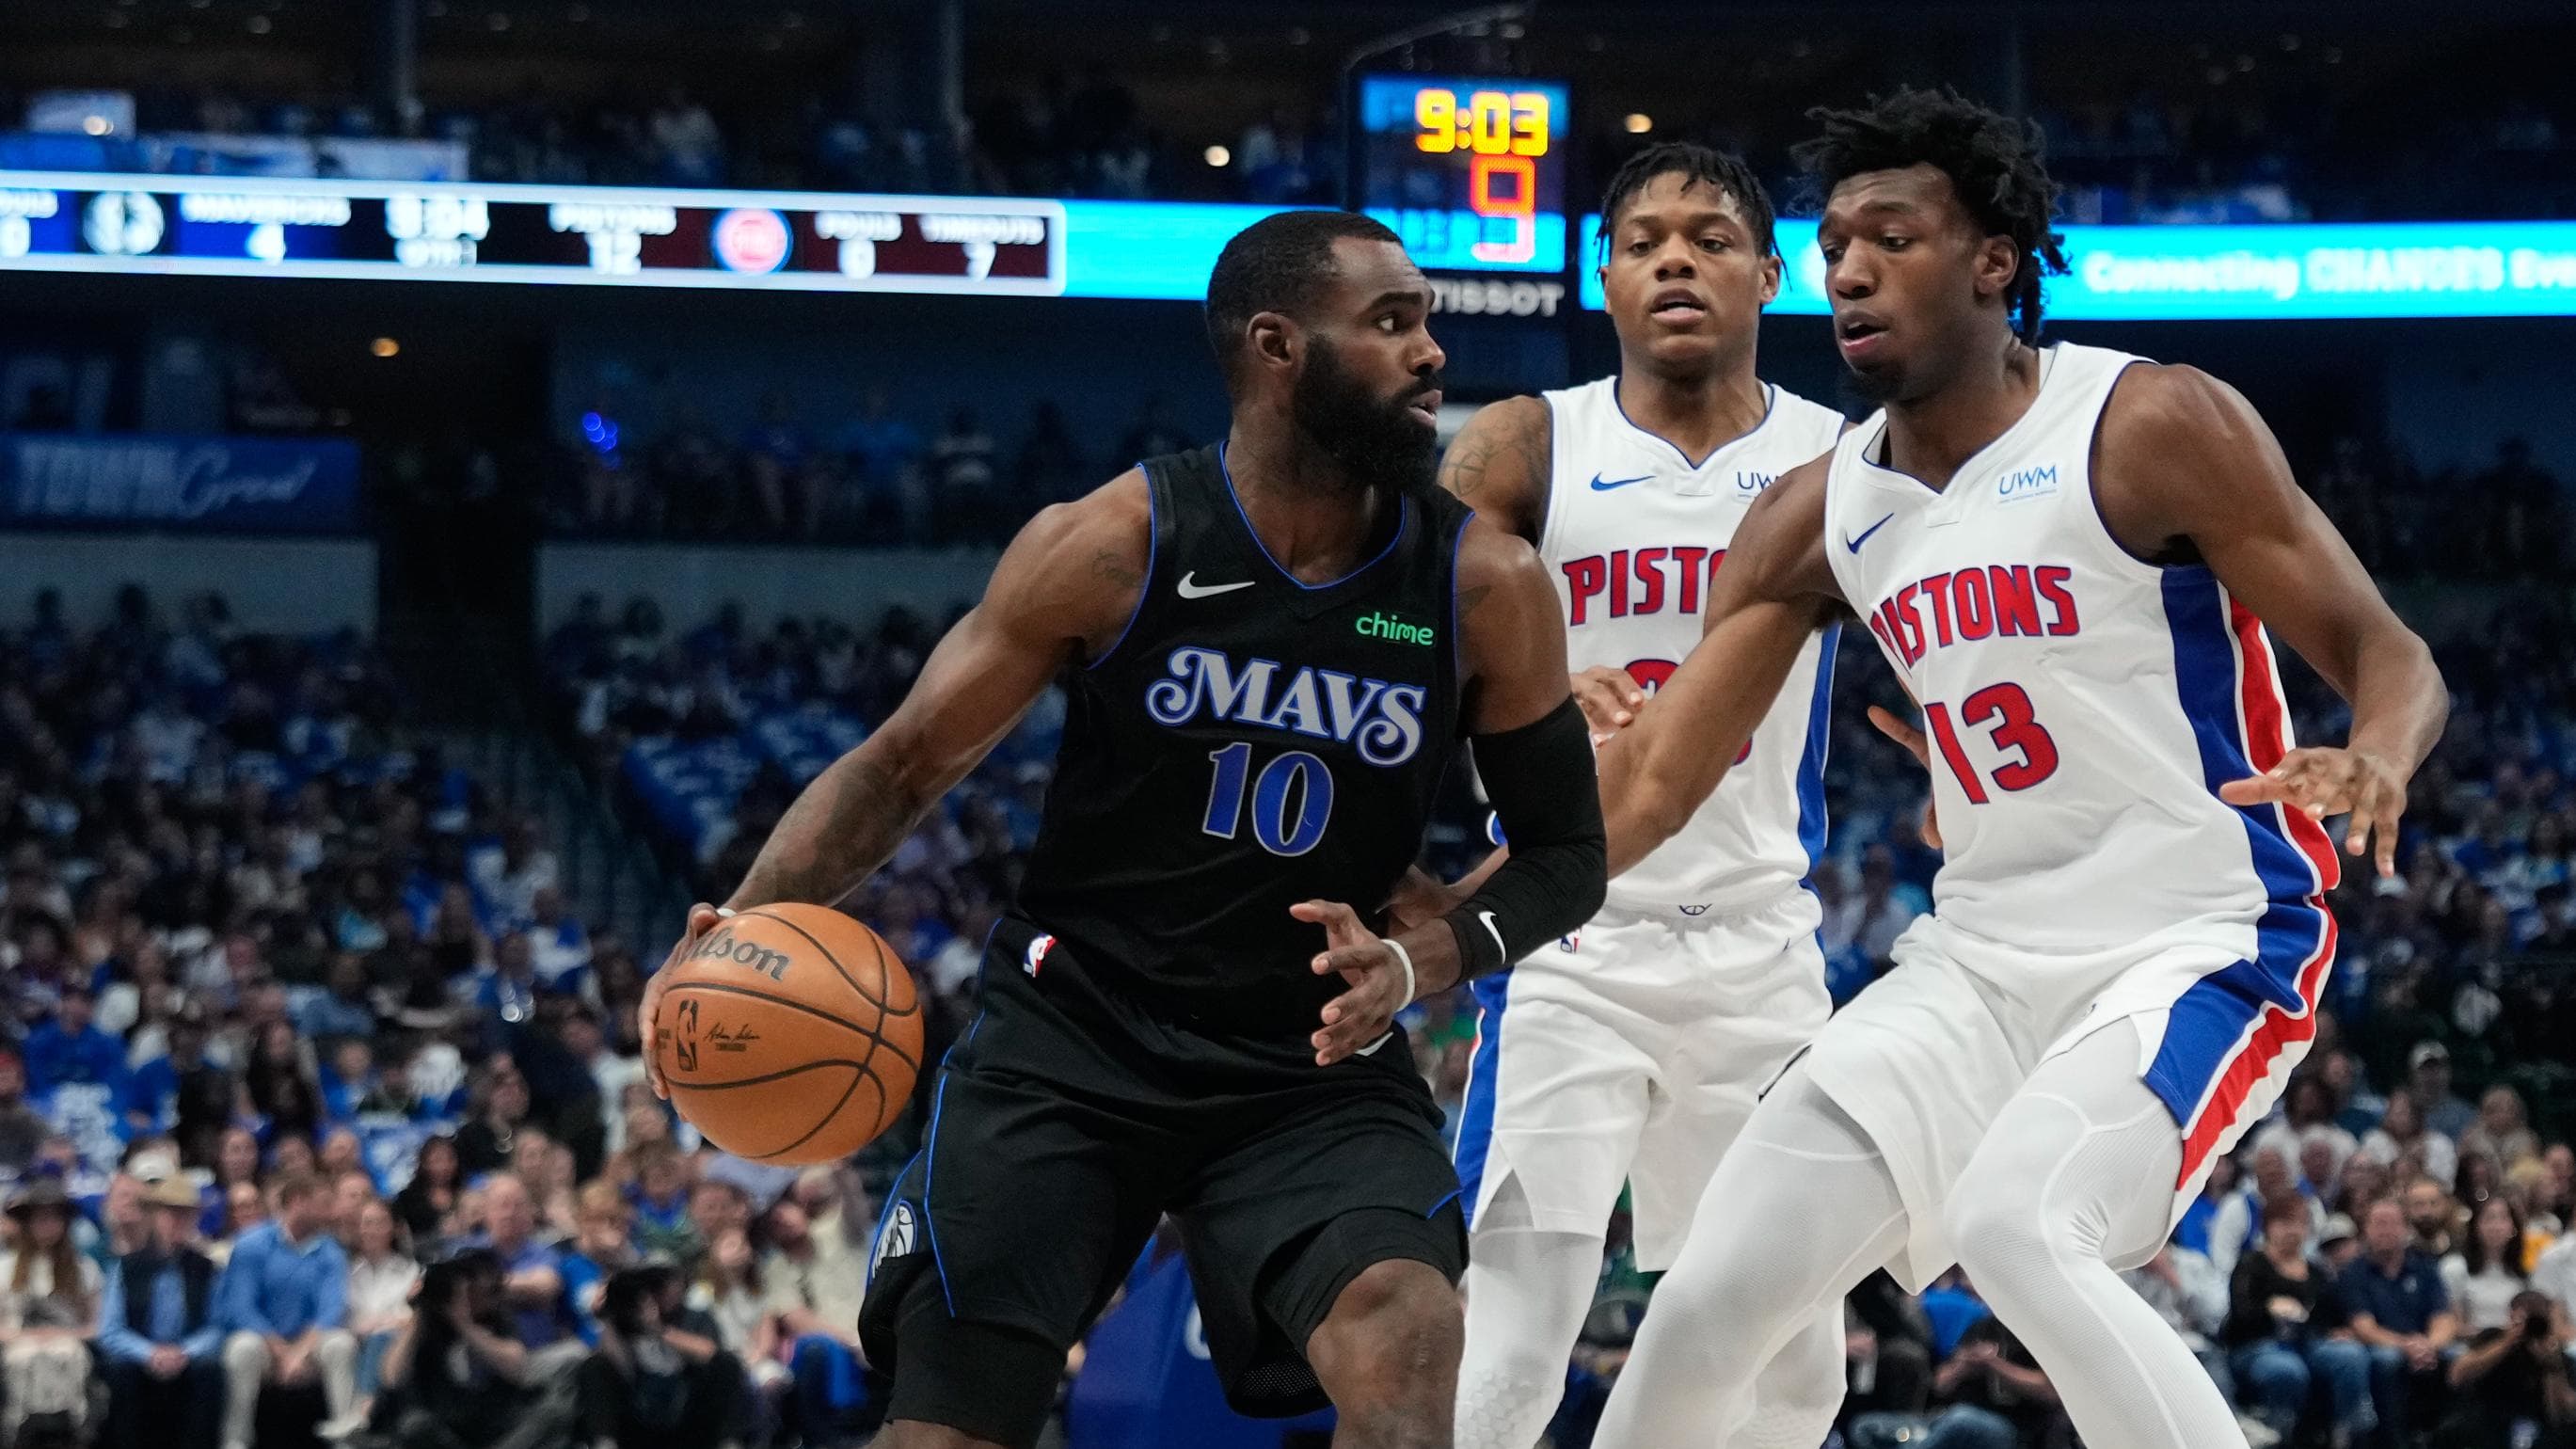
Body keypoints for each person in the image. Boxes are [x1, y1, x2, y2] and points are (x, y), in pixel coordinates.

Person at [641, 208, 1606, 1449]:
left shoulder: (1485, 584)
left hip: (1305, 1056)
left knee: (1406, 1333)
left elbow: (1566, 857)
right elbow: (897, 772)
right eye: (1389, 322)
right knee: (945, 1427)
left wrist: (1423, 961)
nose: (1429, 353)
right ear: (1274, 346)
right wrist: (737, 931)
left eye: (1424, 322)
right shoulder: (1113, 543)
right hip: (1075, 1035)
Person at [1574, 88, 2449, 1449]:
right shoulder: (1818, 509)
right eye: (1832, 243)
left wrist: (2376, 756)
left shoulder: (2147, 421)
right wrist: (1459, 927)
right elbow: (1644, 789)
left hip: (2194, 940)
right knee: (1704, 1301)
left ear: (1992, 259)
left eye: (1891, 234)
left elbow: (2387, 654)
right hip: (1978, 961)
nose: (1847, 267)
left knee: (2020, 1228)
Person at [1430, 140, 1851, 1447]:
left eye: (1711, 237)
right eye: (1645, 239)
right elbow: (1394, 631)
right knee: (1504, 1352)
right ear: (1599, 276)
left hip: (1760, 947)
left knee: (1793, 1375)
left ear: (1768, 276)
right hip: (1569, 941)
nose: (1676, 257)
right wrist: (1526, 686)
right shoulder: (1524, 443)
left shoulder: (1842, 454)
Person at [216, 1170, 363, 1447]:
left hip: (309, 1345)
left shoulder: (330, 1251)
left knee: (341, 1344)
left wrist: (300, 1353)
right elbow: (242, 1308)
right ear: (297, 1201)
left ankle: (346, 1441)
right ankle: (235, 1441)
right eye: (322, 1203)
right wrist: (284, 1353)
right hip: (265, 1343)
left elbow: (330, 1310)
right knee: (241, 1349)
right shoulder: (251, 1244)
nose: (329, 1212)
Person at [2221, 1195, 2373, 1444]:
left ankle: (2348, 1435)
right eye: (2284, 1223)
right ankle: (2280, 1438)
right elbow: (2240, 1315)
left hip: (2309, 1344)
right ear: (2268, 1227)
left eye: (2299, 1223)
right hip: (2257, 1345)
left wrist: (2337, 1331)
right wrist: (2269, 1309)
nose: (2292, 1230)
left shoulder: (2317, 1272)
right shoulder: (2250, 1265)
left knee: (2351, 1356)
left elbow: (2329, 1316)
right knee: (2287, 1370)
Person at [379, 1249, 566, 1449]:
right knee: (414, 1425)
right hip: (445, 1424)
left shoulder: (496, 1318)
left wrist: (464, 1324)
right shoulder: (427, 1323)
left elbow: (517, 1368)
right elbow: (392, 1377)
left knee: (552, 1412)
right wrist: (419, 1313)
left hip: (497, 1421)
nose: (468, 1294)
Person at [97, 1175, 227, 1449]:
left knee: (210, 1371)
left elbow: (218, 1327)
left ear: (194, 1218)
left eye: (185, 1214)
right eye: (171, 1213)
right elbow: (110, 1330)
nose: (178, 1221)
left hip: (187, 1358)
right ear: (155, 1216)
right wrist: (149, 1353)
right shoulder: (126, 1267)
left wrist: (185, 1352)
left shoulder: (206, 1268)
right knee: (120, 1371)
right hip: (140, 1358)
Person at [580, 1265, 741, 1449]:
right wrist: (610, 1318)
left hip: (684, 1415)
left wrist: (656, 1328)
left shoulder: (691, 1318)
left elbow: (710, 1353)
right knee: (594, 1367)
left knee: (727, 1363)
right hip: (641, 1421)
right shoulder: (617, 1331)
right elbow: (619, 1368)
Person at [2342, 1195, 2460, 1441]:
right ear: (2365, 1230)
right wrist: (2407, 1346)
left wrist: (2429, 1346)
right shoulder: (2354, 1272)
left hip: (2424, 1345)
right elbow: (2364, 1327)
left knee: (2459, 1357)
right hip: (2382, 1346)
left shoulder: (2425, 1267)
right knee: (2388, 1360)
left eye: (2392, 1223)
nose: (2386, 1230)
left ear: (2406, 1229)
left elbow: (2444, 1319)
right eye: (2378, 1223)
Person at [0, 1180, 103, 1444]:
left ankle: (72, 1431)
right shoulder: (5, 1269)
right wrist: (20, 1336)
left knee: (67, 1356)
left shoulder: (84, 1269)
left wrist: (64, 1333)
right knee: (24, 1360)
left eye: (53, 1218)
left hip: (68, 1342)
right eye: (40, 1218)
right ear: (28, 1223)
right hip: (16, 1343)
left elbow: (97, 1324)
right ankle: (17, 1432)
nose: (47, 1225)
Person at [2437, 1289, 2576, 1448]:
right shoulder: (2492, 1338)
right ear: (2511, 1315)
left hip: (2535, 1424)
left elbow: (2563, 1412)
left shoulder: (2557, 1355)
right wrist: (2507, 1342)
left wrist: (2551, 1365)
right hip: (2489, 1418)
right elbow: (2457, 1375)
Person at [347, 1199, 421, 1424]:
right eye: (367, 1223)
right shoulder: (348, 1273)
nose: (372, 1230)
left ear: (393, 1228)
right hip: (355, 1341)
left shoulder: (410, 1271)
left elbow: (412, 1318)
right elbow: (342, 1317)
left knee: (380, 1339)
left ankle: (364, 1411)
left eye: (380, 1223)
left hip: (394, 1346)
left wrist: (378, 1323)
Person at [2443, 1195, 2531, 1335]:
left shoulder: (2522, 1274)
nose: (2496, 1227)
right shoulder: (2455, 1268)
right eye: (2489, 1219)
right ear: (2476, 1226)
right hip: (2471, 1346)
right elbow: (2453, 1324)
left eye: (2503, 1218)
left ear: (2513, 1227)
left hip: (2512, 1344)